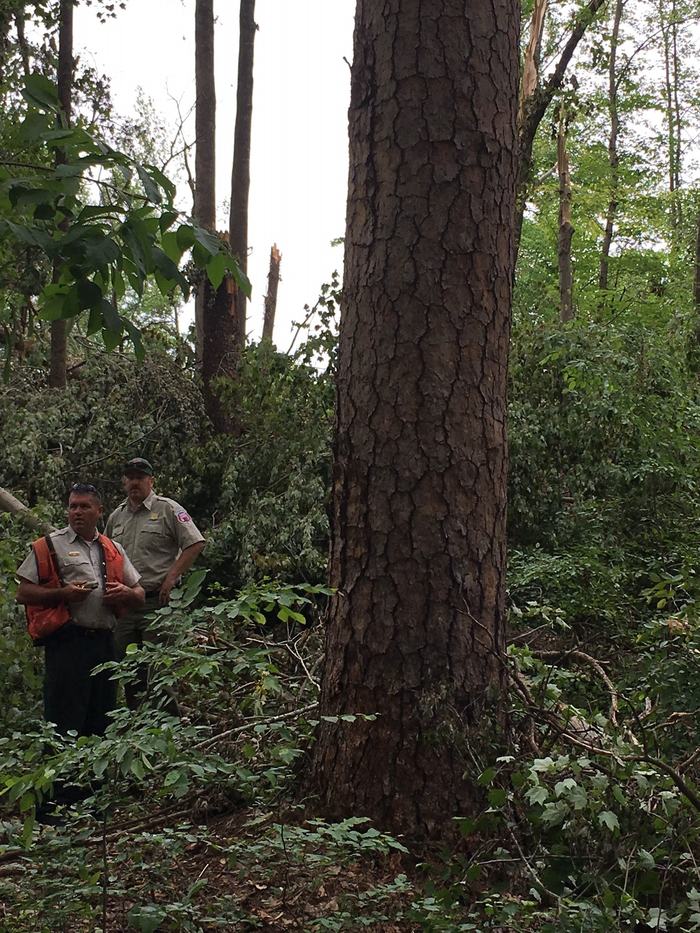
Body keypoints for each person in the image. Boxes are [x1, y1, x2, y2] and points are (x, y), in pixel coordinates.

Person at [16, 483, 144, 738]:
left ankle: (96, 778)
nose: (77, 512)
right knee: (64, 716)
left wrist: (126, 593)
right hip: (67, 642)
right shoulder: (49, 545)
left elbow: (139, 593)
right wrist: (63, 594)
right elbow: (23, 593)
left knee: (102, 715)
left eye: (84, 506)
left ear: (99, 511)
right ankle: (63, 777)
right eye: (73, 506)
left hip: (105, 642)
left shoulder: (113, 548)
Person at [105, 458, 205, 708]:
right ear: (124, 482)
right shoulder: (116, 516)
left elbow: (195, 543)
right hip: (125, 607)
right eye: (130, 477)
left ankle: (167, 732)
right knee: (128, 671)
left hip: (158, 605)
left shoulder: (168, 509)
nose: (135, 482)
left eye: (140, 477)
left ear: (151, 480)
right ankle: (136, 733)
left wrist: (172, 576)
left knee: (161, 674)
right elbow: (104, 554)